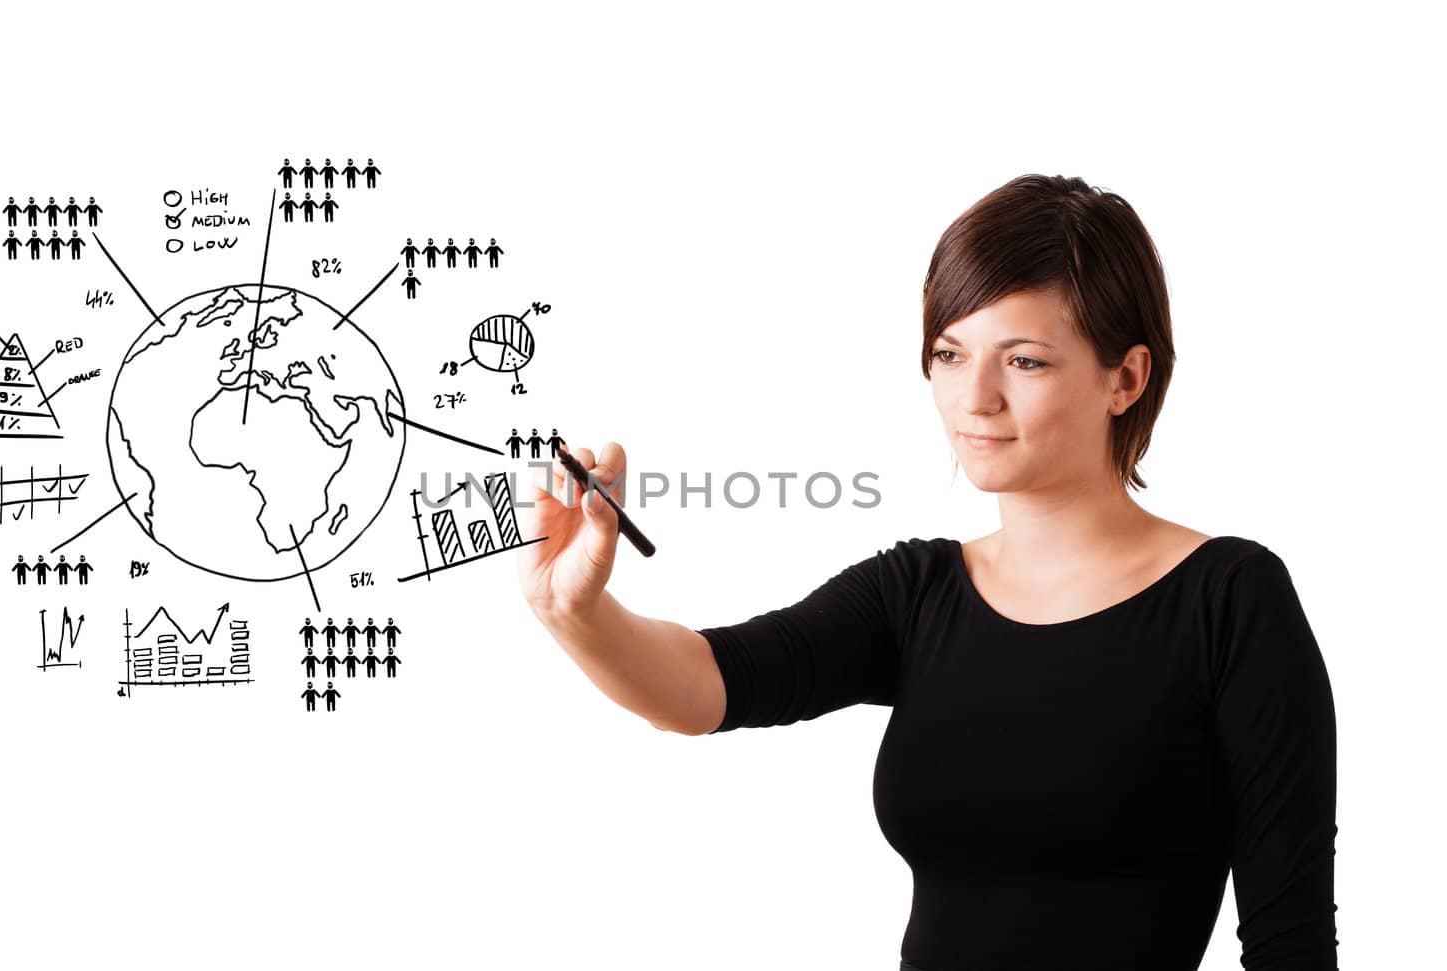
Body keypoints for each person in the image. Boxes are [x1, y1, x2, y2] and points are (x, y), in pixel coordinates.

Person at [516, 174, 1340, 970]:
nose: (973, 396)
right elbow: (705, 685)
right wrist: (575, 611)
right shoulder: (917, 593)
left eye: (1024, 361)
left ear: (1126, 377)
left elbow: (1290, 947)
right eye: (950, 352)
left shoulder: (1231, 601)